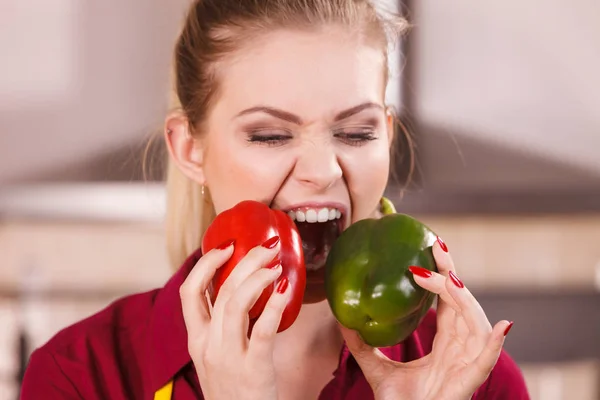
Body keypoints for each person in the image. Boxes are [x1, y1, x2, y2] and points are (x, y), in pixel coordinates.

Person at [20, 0, 530, 399]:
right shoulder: (79, 378)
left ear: (388, 138)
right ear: (190, 149)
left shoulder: (474, 381)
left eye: (355, 132)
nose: (322, 171)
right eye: (269, 136)